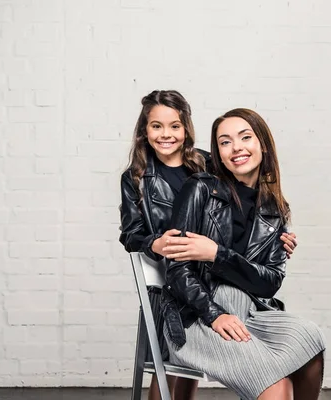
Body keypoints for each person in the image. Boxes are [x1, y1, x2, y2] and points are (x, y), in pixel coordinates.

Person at [119, 91, 298, 400]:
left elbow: (243, 206)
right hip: (168, 277)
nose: (166, 135)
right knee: (169, 367)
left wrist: (273, 237)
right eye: (156, 127)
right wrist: (155, 243)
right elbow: (131, 234)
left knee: (194, 366)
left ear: (186, 129)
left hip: (208, 271)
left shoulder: (208, 164)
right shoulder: (135, 178)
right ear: (144, 131)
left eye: (175, 126)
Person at [160, 108, 326, 400]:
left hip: (250, 311)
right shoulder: (200, 189)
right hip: (198, 314)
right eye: (225, 142)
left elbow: (270, 281)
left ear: (262, 143)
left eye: (245, 137)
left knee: (310, 338)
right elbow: (177, 271)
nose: (236, 147)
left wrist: (216, 254)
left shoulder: (275, 209)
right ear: (219, 155)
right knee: (277, 385)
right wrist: (215, 314)